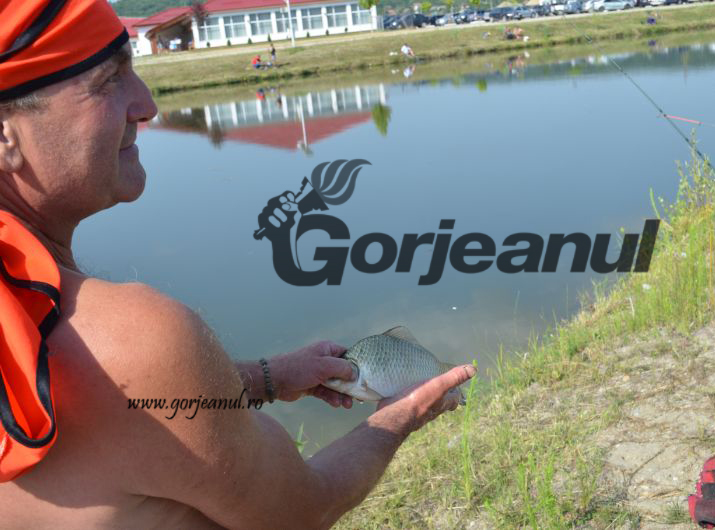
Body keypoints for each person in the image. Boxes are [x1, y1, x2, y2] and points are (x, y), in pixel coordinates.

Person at [0, 1, 475, 528]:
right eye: (108, 80)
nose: (147, 104)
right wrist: (403, 412)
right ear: (4, 133)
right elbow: (303, 508)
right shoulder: (132, 338)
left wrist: (267, 377)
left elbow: (131, 406)